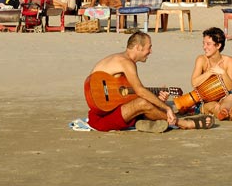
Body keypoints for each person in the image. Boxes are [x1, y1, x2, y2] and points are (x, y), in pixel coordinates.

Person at [86, 31, 215, 132]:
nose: (150, 51)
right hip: (102, 119)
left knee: (146, 101)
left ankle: (146, 122)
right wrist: (166, 108)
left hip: (103, 111)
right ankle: (183, 123)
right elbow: (140, 91)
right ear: (138, 47)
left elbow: (123, 95)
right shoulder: (126, 63)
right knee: (143, 103)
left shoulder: (115, 58)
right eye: (149, 47)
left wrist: (158, 98)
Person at [190, 27, 232, 121]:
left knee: (231, 97)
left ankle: (225, 111)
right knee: (211, 105)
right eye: (203, 43)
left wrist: (223, 73)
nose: (204, 47)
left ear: (218, 45)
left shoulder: (229, 61)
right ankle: (226, 113)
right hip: (205, 99)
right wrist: (210, 72)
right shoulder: (201, 60)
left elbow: (229, 88)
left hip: (224, 96)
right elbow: (194, 83)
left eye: (208, 44)